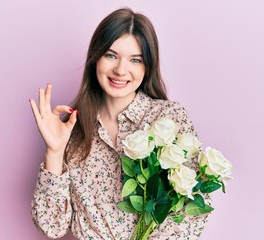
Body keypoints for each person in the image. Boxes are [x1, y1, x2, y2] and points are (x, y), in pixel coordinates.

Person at [29, 8, 211, 240]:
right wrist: (54, 151)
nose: (121, 70)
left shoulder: (168, 119)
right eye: (111, 55)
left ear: (148, 67)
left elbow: (193, 212)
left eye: (135, 60)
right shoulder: (72, 128)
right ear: (95, 58)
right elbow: (52, 227)